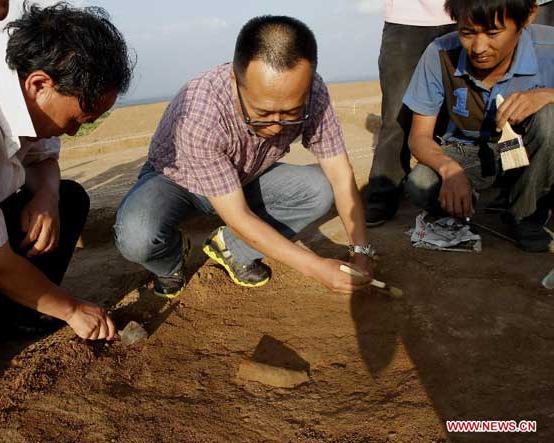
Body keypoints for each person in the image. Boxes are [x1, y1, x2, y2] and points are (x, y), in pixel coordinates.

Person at [115, 15, 373, 299]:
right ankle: (171, 261)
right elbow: (237, 214)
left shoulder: (313, 92)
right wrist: (315, 267)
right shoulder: (200, 112)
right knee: (136, 235)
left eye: (290, 114)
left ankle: (232, 248)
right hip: (177, 181)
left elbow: (340, 174)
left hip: (246, 175)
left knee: (319, 189)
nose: (276, 126)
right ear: (234, 80)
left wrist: (360, 253)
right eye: (261, 114)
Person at [0, 2, 133, 399]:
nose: (71, 133)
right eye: (77, 119)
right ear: (40, 84)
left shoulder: (19, 80)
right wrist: (71, 309)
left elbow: (44, 159)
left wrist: (47, 196)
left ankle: (4, 322)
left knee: (68, 199)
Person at [403, 0, 554, 252]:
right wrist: (449, 170)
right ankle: (462, 205)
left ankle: (526, 215)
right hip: (468, 152)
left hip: (531, 150)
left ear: (527, 17)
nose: (479, 48)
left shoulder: (549, 47)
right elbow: (419, 136)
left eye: (493, 33)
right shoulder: (440, 53)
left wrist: (549, 94)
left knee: (550, 116)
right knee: (421, 184)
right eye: (467, 33)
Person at [365, 0, 456, 227]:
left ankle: (447, 187)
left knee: (456, 109)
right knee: (396, 114)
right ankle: (383, 192)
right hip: (406, 18)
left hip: (463, 15)